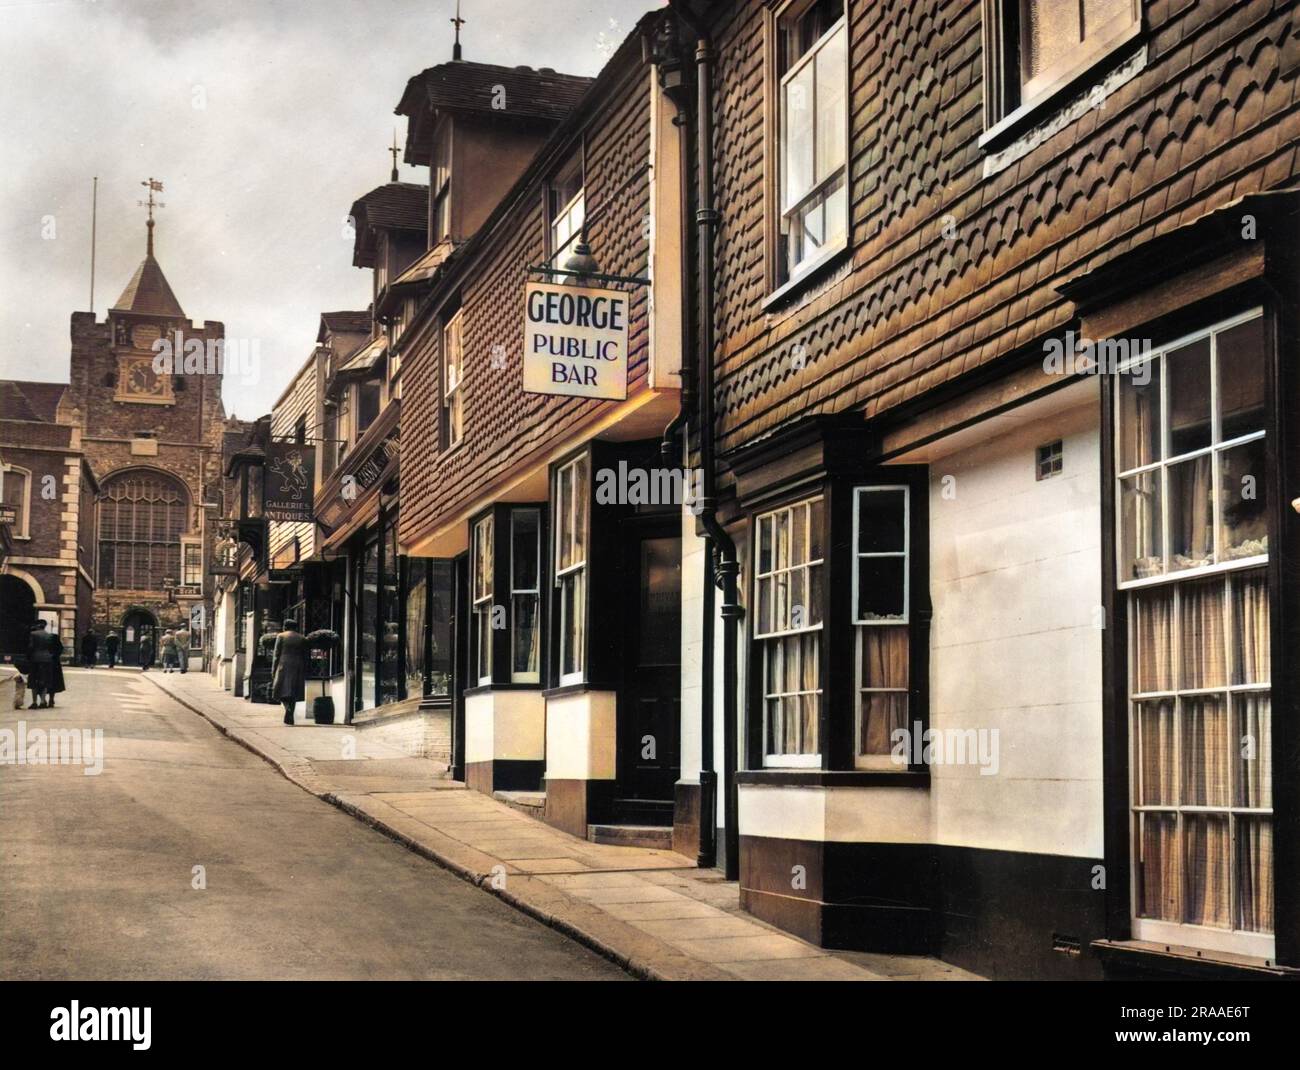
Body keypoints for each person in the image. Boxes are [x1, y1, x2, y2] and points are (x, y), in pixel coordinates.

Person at [270, 617, 306, 726]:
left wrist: (274, 669)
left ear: (286, 626)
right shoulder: (302, 638)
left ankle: (288, 710)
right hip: (297, 665)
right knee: (293, 692)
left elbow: (276, 654)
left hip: (283, 665)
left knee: (281, 690)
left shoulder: (281, 636)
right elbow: (305, 654)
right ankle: (290, 712)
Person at [27, 620, 65, 709]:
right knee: (45, 681)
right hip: (48, 660)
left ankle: (35, 702)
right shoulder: (50, 636)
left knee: (34, 681)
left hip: (35, 659)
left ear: (37, 625)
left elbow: (30, 647)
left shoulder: (33, 634)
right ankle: (43, 701)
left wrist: (28, 657)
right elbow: (58, 649)